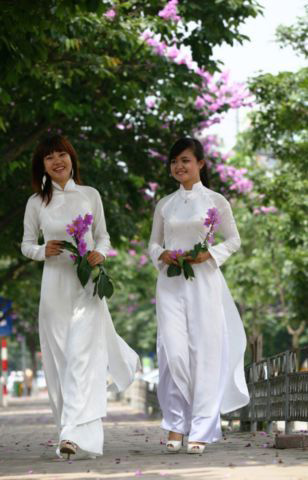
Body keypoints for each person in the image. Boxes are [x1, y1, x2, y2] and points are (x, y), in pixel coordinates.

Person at [21, 134, 140, 459]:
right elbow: (26, 245)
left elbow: (103, 237)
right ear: (42, 165)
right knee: (61, 362)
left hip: (87, 285)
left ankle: (73, 433)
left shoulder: (90, 195)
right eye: (49, 157)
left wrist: (100, 254)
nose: (57, 161)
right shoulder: (37, 202)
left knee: (82, 358)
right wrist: (43, 251)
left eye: (62, 154)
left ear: (72, 158)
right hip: (54, 287)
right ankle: (68, 431)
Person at [148, 137, 249, 454]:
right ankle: (176, 423)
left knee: (205, 354)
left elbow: (233, 240)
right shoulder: (165, 204)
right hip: (171, 283)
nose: (179, 166)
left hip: (204, 283)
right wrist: (162, 255)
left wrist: (210, 254)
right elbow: (153, 244)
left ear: (201, 164)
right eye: (174, 161)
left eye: (185, 160)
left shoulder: (216, 201)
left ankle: (201, 428)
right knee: (173, 353)